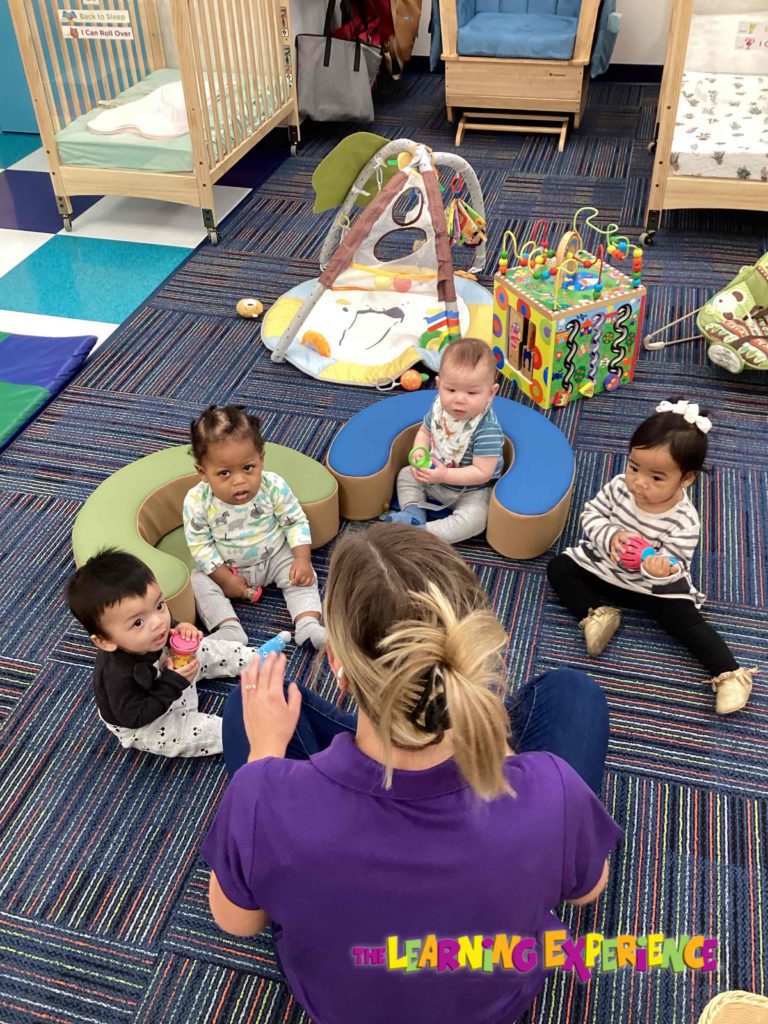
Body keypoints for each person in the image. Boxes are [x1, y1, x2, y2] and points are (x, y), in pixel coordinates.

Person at [201, 524, 622, 1024]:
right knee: (575, 695)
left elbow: (237, 923)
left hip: (337, 1002)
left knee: (243, 709)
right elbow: (588, 890)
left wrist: (264, 758)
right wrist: (493, 746)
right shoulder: (551, 789)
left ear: (337, 660)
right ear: (470, 650)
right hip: (495, 1005)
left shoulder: (262, 796)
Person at [547, 398, 756, 715]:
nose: (639, 482)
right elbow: (591, 515)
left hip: (652, 589)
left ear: (686, 479)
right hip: (606, 567)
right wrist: (610, 535)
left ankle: (729, 674)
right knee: (559, 567)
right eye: (633, 467)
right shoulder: (620, 487)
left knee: (688, 623)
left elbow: (677, 564)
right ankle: (598, 615)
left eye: (657, 477)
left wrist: (659, 568)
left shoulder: (685, 520)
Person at [65, 549, 258, 757]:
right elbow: (137, 717)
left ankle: (254, 659)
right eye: (138, 622)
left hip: (170, 674)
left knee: (202, 648)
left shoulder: (153, 629)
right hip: (149, 720)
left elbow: (166, 624)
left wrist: (181, 628)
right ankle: (246, 733)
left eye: (159, 605)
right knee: (188, 734)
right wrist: (173, 682)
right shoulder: (117, 677)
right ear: (105, 641)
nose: (159, 623)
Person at [183, 404, 326, 649]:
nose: (239, 481)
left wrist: (302, 559)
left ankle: (308, 625)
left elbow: (295, 521)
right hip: (228, 567)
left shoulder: (273, 485)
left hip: (275, 556)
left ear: (261, 459)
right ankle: (229, 629)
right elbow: (201, 547)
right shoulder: (197, 501)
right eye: (224, 473)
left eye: (248, 468)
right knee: (197, 579)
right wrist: (225, 580)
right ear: (202, 471)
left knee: (303, 574)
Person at [380, 337, 504, 544]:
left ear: (491, 393)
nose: (459, 399)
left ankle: (423, 533)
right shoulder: (439, 409)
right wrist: (419, 451)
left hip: (471, 490)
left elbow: (482, 472)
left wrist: (445, 474)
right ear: (439, 385)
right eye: (451, 390)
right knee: (405, 475)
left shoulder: (487, 430)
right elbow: (425, 432)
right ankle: (413, 512)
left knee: (476, 518)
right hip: (435, 475)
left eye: (472, 392)